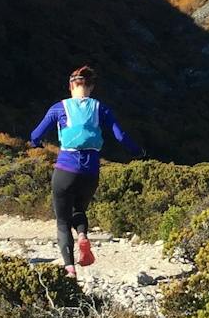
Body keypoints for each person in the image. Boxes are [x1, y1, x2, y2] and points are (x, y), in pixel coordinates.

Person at [29, 66, 142, 277]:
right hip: (91, 172)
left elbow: (36, 134)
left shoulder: (58, 108)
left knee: (63, 221)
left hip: (65, 170)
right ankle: (82, 235)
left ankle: (70, 269)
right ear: (90, 87)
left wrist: (36, 144)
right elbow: (121, 136)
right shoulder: (101, 108)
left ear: (71, 86)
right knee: (79, 210)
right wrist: (138, 152)